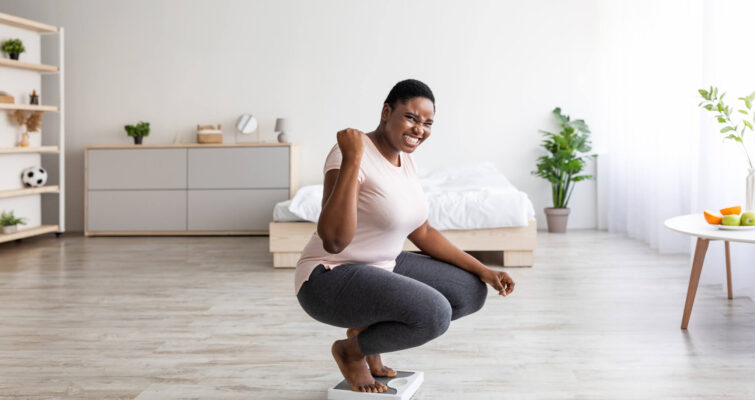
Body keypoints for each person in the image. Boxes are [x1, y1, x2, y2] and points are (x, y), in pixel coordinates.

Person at [295, 79, 515, 393]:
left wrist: (484, 270)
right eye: (411, 118)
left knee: (470, 291)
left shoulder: (405, 158)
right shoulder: (349, 154)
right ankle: (351, 352)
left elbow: (422, 231)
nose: (419, 129)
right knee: (434, 314)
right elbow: (333, 241)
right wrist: (354, 157)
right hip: (329, 276)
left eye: (427, 123)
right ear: (387, 112)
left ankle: (364, 334)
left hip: (383, 263)